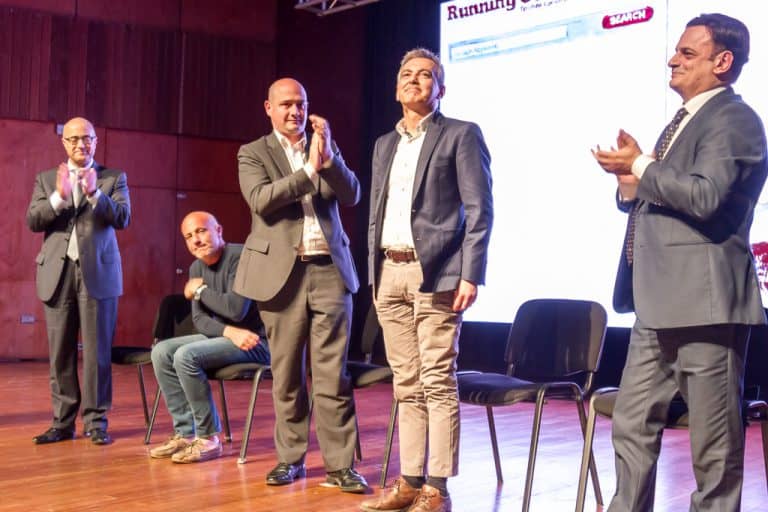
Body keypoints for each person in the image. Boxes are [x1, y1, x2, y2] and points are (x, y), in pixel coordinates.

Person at [592, 13, 767, 511]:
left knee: (713, 446)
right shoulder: (686, 120)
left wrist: (641, 165)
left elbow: (706, 197)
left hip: (704, 305)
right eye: (677, 51)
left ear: (722, 62)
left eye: (688, 53)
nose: (673, 59)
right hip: (656, 304)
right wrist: (631, 185)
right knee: (630, 424)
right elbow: (669, 195)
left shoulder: (735, 120)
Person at [362, 48, 493, 512]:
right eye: (406, 74)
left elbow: (479, 210)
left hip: (436, 272)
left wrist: (470, 273)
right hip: (388, 272)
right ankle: (410, 481)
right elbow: (377, 212)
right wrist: (374, 273)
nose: (413, 80)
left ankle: (437, 487)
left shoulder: (460, 134)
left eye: (425, 75)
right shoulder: (385, 143)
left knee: (437, 379)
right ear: (396, 86)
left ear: (441, 89)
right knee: (406, 383)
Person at [233, 78, 367, 492]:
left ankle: (340, 466)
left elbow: (352, 194)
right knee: (288, 373)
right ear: (268, 108)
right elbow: (262, 200)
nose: (295, 111)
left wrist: (329, 160)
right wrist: (309, 170)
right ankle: (290, 459)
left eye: (302, 104)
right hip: (281, 276)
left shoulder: (323, 145)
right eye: (287, 104)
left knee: (333, 374)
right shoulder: (253, 152)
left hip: (330, 271)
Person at [26, 117, 131, 446]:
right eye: (73, 139)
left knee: (97, 354)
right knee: (60, 353)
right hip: (57, 274)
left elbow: (123, 218)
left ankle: (96, 423)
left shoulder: (113, 178)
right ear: (64, 143)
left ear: (95, 141)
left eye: (87, 138)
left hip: (98, 273)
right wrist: (59, 197)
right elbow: (33, 220)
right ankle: (62, 422)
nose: (80, 144)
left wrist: (95, 193)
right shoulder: (46, 179)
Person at [149, 211, 270, 463]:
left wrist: (200, 290)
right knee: (161, 352)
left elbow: (236, 310)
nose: (196, 240)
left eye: (201, 231)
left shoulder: (241, 257)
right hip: (228, 338)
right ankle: (185, 433)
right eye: (188, 236)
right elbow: (200, 320)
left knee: (186, 356)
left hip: (257, 342)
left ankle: (208, 438)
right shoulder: (196, 267)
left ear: (219, 231)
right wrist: (228, 331)